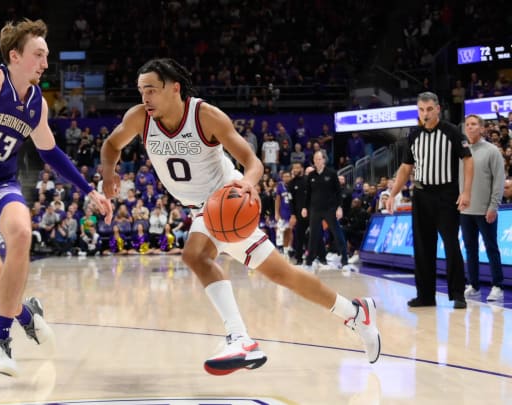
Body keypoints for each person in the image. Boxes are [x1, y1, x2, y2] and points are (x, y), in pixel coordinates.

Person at [100, 58, 381, 375]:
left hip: (226, 200)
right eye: (141, 91)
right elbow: (112, 145)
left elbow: (252, 161)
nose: (145, 97)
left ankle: (240, 338)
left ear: (174, 88)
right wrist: (108, 173)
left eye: (151, 90)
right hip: (204, 209)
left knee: (195, 256)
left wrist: (247, 183)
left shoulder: (204, 116)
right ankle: (355, 312)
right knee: (282, 274)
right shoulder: (140, 118)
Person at [0, 18, 112, 377]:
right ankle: (26, 316)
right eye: (39, 55)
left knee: (20, 231)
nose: (45, 63)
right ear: (15, 56)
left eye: (47, 55)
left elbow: (50, 152)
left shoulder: (36, 105)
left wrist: (89, 189)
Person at [386, 91, 473, 309]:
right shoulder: (413, 135)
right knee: (423, 247)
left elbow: (468, 160)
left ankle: (458, 294)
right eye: (421, 110)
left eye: (429, 109)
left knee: (451, 244)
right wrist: (393, 193)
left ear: (437, 109)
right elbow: (406, 168)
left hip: (447, 194)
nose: (425, 114)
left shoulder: (452, 131)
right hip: (422, 195)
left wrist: (466, 192)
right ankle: (425, 296)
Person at [459, 115, 505, 302]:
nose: (470, 127)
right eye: (468, 124)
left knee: (491, 248)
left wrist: (493, 206)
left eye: (474, 124)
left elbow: (499, 181)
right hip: (465, 211)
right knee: (470, 250)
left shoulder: (492, 151)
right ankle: (474, 286)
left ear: (482, 128)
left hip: (486, 209)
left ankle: (497, 286)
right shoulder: (462, 151)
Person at [301, 151, 354, 271]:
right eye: (315, 159)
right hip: (315, 209)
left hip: (329, 209)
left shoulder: (331, 173)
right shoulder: (311, 176)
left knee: (337, 233)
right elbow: (308, 194)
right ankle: (309, 262)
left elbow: (338, 192)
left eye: (319, 159)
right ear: (313, 161)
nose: (317, 161)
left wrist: (339, 207)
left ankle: (345, 260)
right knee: (313, 235)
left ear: (324, 160)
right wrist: (305, 207)